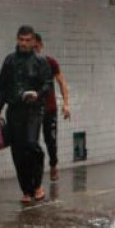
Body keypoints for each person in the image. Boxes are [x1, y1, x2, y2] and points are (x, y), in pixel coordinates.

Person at [0, 23, 53, 203]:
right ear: (17, 40)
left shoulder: (40, 61)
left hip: (34, 110)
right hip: (15, 110)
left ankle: (37, 184)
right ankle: (26, 190)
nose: (24, 44)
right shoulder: (10, 61)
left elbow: (48, 84)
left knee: (31, 144)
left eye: (28, 40)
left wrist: (38, 94)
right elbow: (2, 87)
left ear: (34, 41)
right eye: (21, 40)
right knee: (18, 151)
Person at [31, 32, 73, 180]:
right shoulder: (25, 65)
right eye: (31, 48)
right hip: (32, 110)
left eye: (36, 47)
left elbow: (62, 82)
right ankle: (36, 172)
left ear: (41, 46)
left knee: (51, 141)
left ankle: (53, 164)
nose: (34, 51)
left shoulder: (50, 62)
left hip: (49, 109)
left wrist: (66, 104)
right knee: (32, 142)